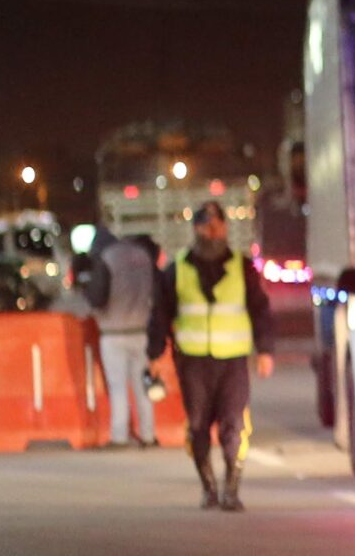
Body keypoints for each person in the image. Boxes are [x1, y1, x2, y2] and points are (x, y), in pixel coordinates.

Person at [147, 203, 273, 510]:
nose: (212, 232)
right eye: (206, 226)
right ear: (196, 229)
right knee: (199, 426)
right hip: (193, 361)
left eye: (217, 225)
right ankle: (209, 487)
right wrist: (155, 353)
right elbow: (160, 314)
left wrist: (265, 350)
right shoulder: (177, 270)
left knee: (234, 425)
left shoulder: (242, 268)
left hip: (232, 361)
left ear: (226, 228)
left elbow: (261, 311)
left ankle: (232, 488)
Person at [83, 228, 157, 446]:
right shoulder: (142, 255)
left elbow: (97, 297)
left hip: (113, 333)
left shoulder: (107, 258)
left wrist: (85, 288)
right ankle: (148, 434)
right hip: (141, 331)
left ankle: (119, 436)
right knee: (142, 386)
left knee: (118, 388)